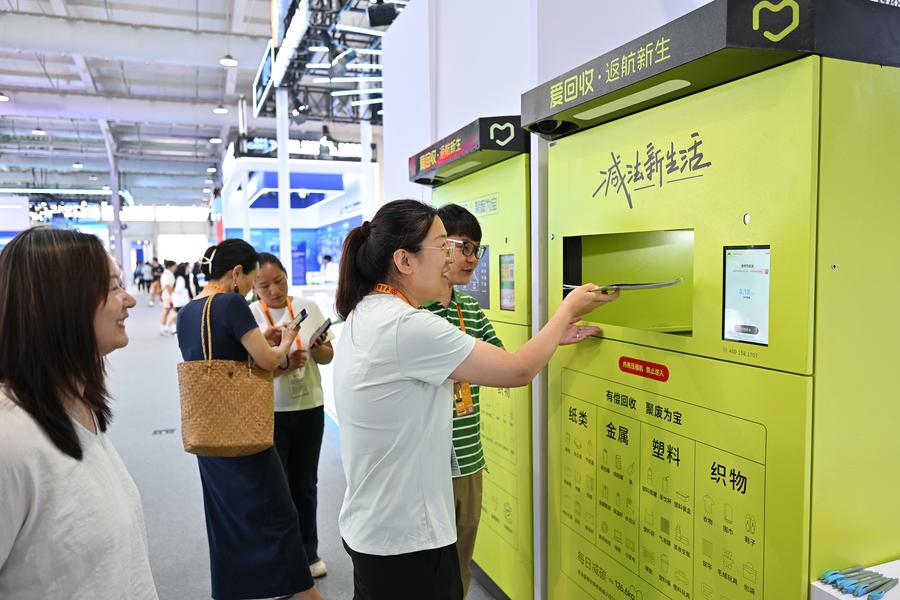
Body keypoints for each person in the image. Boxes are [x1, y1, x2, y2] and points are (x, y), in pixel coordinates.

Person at [333, 199, 617, 599]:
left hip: (377, 526)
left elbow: (501, 358)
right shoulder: (407, 326)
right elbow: (517, 371)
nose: (453, 257)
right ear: (405, 261)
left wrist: (554, 335)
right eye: (442, 245)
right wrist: (567, 309)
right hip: (407, 538)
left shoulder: (370, 312)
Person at [0, 227, 157, 599]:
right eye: (114, 286)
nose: (130, 300)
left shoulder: (75, 405)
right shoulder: (10, 439)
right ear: (61, 302)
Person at [176, 239, 323, 600]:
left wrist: (262, 342)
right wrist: (286, 339)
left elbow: (220, 359)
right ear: (238, 273)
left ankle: (231, 589)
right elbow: (269, 362)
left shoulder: (187, 311)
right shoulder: (230, 303)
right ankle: (303, 592)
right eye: (253, 281)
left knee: (226, 517)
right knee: (279, 510)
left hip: (208, 428)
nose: (252, 291)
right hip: (243, 428)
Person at [423, 204, 501, 596]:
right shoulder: (413, 311)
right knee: (426, 562)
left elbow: (504, 363)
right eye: (464, 247)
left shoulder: (469, 308)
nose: (472, 259)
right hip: (425, 462)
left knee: (460, 557)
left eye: (477, 249)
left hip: (469, 456)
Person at [250, 253, 334, 580]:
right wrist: (283, 368)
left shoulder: (307, 307)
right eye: (264, 285)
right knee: (277, 487)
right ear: (253, 288)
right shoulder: (250, 316)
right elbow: (250, 372)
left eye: (279, 281)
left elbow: (326, 357)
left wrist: (318, 347)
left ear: (287, 275)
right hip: (271, 411)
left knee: (306, 483)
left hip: (310, 406)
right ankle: (283, 556)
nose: (273, 290)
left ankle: (309, 551)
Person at [167, 262, 195, 333]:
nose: (188, 270)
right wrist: (185, 291)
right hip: (180, 301)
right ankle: (167, 326)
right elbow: (177, 290)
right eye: (187, 268)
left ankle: (173, 328)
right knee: (177, 314)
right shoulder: (181, 279)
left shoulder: (181, 278)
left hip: (180, 301)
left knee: (177, 314)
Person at [159, 260, 176, 336]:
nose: (175, 268)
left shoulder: (167, 274)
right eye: (175, 266)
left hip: (167, 296)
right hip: (168, 296)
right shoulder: (167, 274)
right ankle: (164, 328)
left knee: (168, 312)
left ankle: (169, 328)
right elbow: (168, 286)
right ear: (171, 266)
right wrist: (172, 296)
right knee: (167, 312)